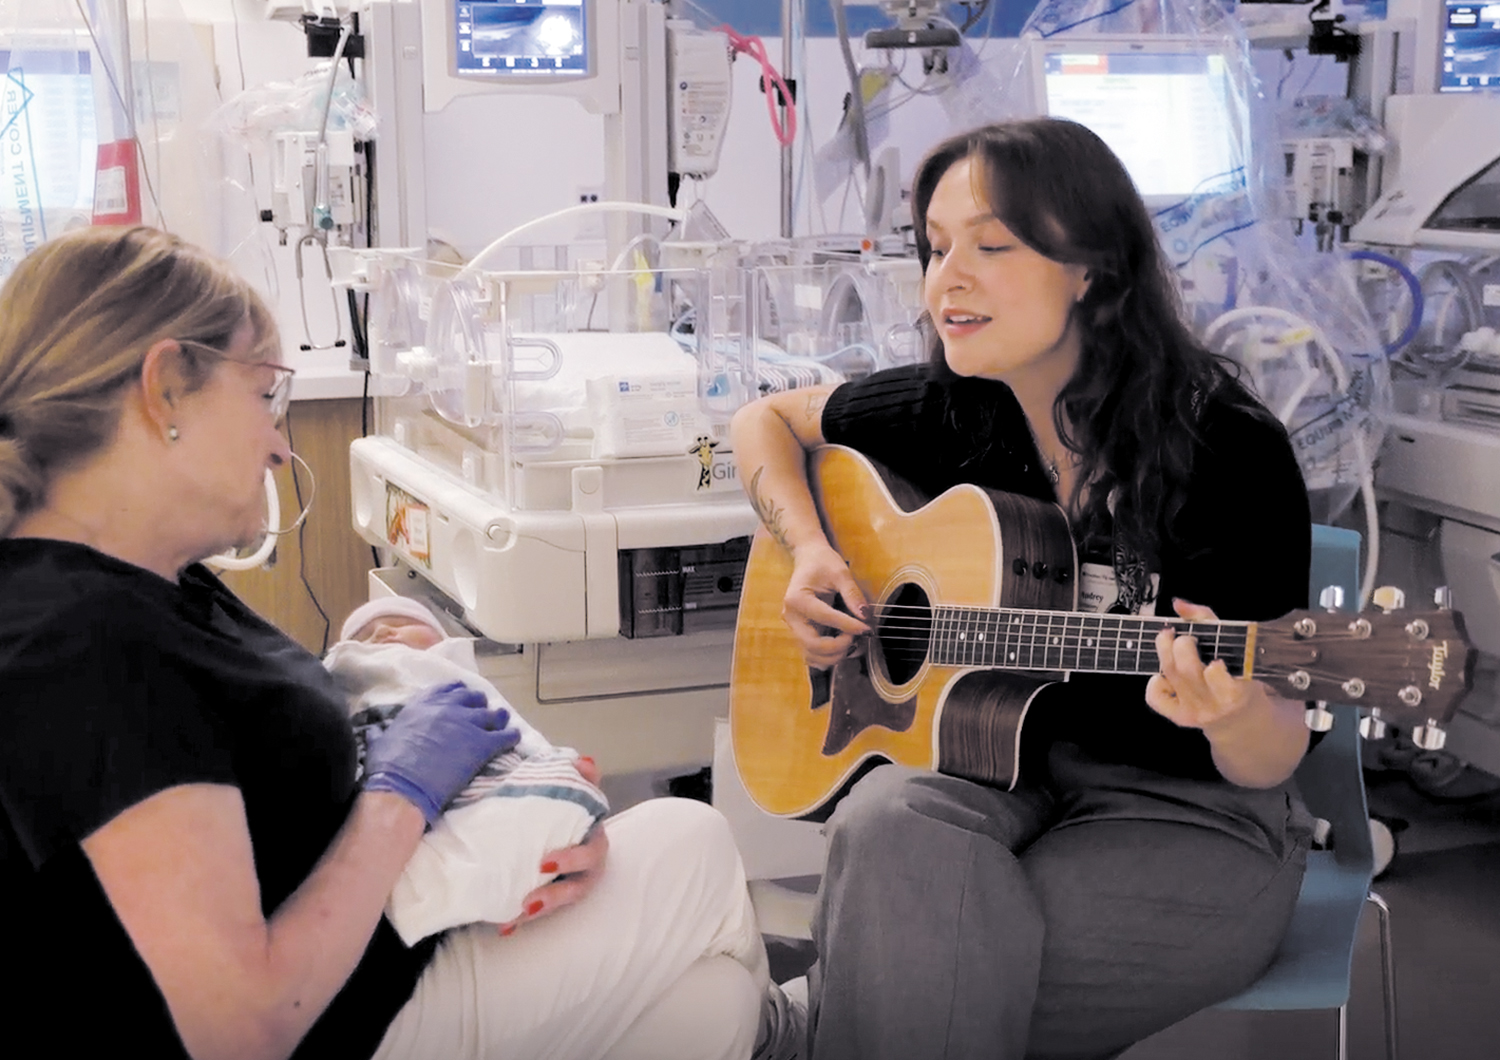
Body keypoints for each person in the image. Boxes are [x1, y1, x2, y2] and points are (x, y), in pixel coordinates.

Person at [0, 225, 790, 1060]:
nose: (280, 445)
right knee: (694, 846)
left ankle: (769, 1031)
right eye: (264, 395)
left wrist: (388, 670)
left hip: (363, 953)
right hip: (333, 1015)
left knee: (711, 1008)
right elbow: (239, 1030)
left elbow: (229, 749)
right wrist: (402, 793)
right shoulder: (82, 646)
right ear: (165, 390)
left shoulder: (138, 578)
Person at [729, 117, 1317, 1060]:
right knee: (886, 823)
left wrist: (1233, 711)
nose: (946, 280)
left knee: (928, 973)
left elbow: (1274, 754)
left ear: (1092, 268)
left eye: (992, 246)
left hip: (1188, 811)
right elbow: (762, 421)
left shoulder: (1225, 450)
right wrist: (808, 550)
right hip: (998, 779)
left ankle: (796, 1028)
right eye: (936, 248)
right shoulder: (957, 407)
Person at [327, 595, 610, 943]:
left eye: (402, 624)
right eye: (363, 637)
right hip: (371, 907)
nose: (383, 631)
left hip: (376, 891)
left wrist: (549, 764)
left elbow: (507, 724)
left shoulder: (449, 674)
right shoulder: (350, 677)